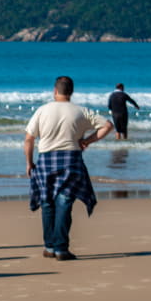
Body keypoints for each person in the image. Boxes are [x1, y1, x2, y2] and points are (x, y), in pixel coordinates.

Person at [25, 76, 112, 260]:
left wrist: (29, 162)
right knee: (64, 202)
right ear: (71, 92)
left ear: (55, 91)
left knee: (47, 203)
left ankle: (49, 246)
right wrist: (87, 141)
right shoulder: (80, 111)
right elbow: (108, 125)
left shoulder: (42, 110)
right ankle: (61, 249)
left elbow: (29, 139)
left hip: (46, 160)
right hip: (71, 159)